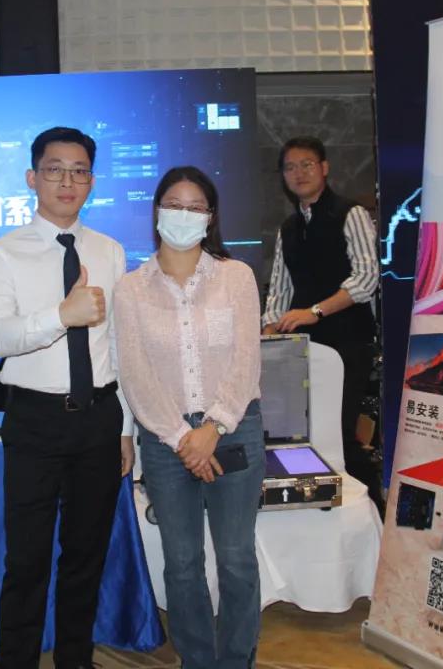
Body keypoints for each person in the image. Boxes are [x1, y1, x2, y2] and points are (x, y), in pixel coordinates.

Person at [0, 127, 135, 669]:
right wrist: (60, 316)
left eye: (79, 171)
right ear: (32, 178)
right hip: (35, 420)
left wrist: (125, 427)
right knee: (26, 562)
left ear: (92, 181)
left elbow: (120, 346)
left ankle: (76, 660)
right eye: (54, 169)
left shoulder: (110, 251)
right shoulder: (3, 253)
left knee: (85, 560)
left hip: (99, 418)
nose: (67, 181)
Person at [114, 166, 263, 669]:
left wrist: (213, 428)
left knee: (237, 559)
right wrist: (184, 438)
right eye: (174, 205)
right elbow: (135, 375)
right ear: (157, 212)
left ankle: (236, 660)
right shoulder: (131, 289)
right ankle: (197, 660)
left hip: (234, 428)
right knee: (181, 563)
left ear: (210, 217)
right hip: (166, 440)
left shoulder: (236, 277)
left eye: (195, 207)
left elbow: (247, 361)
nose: (184, 214)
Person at [261, 136, 382, 511]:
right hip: (301, 350)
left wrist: (314, 312)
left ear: (324, 168)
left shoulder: (350, 214)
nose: (298, 173)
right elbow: (280, 288)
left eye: (306, 164)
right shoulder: (288, 228)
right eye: (290, 167)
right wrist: (268, 328)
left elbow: (367, 279)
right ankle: (321, 506)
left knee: (339, 431)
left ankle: (369, 509)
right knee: (303, 435)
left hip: (347, 343)